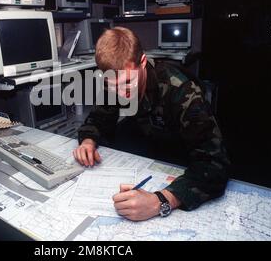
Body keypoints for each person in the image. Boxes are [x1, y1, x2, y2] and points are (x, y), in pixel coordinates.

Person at [73, 27, 230, 221]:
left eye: (129, 82)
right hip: (149, 153)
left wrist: (162, 201)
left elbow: (216, 166)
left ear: (143, 62)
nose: (121, 93)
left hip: (182, 161)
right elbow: (98, 118)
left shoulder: (182, 90)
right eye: (113, 86)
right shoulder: (115, 80)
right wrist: (88, 140)